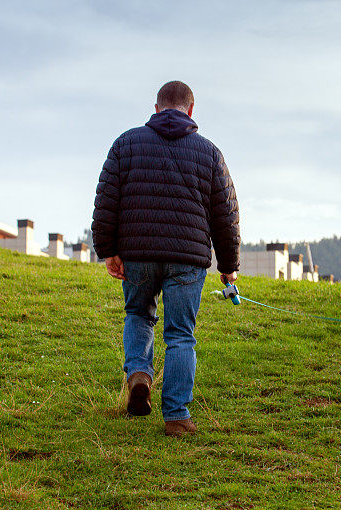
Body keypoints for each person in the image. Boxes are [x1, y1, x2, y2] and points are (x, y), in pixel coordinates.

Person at [91, 81, 240, 437]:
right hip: (187, 259)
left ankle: (139, 374)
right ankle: (176, 415)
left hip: (138, 254)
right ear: (191, 110)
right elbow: (226, 214)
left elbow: (105, 202)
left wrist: (107, 249)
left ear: (157, 108)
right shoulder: (209, 153)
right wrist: (229, 265)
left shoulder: (125, 144)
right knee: (180, 335)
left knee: (139, 314)